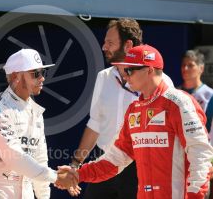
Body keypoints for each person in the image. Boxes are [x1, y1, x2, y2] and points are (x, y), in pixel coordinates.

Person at [59, 45, 213, 198]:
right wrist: (78, 174)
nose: (125, 76)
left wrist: (195, 195)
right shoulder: (135, 109)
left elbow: (200, 154)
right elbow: (116, 158)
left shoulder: (179, 102)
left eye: (129, 70)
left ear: (149, 70)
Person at [70, 18, 173, 199]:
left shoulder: (159, 81)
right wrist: (75, 164)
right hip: (106, 161)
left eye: (110, 43)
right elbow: (95, 124)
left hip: (139, 168)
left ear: (127, 45)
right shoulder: (103, 77)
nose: (104, 47)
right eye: (105, 42)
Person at [0, 49, 78, 199]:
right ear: (16, 76)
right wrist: (55, 177)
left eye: (43, 72)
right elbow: (13, 155)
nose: (42, 78)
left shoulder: (35, 111)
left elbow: (40, 158)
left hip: (26, 191)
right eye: (35, 73)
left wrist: (44, 197)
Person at [178, 50, 213, 143]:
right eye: (183, 65)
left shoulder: (210, 95)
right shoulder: (174, 92)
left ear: (201, 68)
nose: (185, 68)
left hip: (203, 149)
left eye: (190, 65)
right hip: (179, 149)